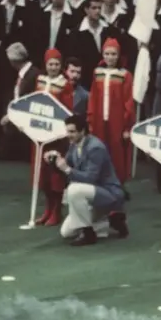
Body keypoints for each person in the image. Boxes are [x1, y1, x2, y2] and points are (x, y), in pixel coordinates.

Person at [45, 113, 128, 246]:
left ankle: (88, 233)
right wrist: (55, 159)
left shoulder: (96, 147)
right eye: (67, 131)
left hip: (108, 192)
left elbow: (90, 178)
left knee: (74, 190)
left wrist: (67, 169)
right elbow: (66, 165)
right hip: (91, 194)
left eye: (72, 132)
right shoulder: (74, 144)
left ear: (82, 131)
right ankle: (111, 220)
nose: (68, 135)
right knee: (66, 232)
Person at [33, 49, 74, 226]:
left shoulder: (64, 84)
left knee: (55, 174)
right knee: (42, 174)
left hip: (56, 135)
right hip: (40, 133)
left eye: (57, 64)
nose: (53, 67)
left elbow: (67, 109)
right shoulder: (40, 80)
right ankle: (47, 209)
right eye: (51, 64)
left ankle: (56, 211)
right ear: (46, 64)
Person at [87, 38, 134, 186]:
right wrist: (90, 120)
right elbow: (93, 98)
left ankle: (116, 184)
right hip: (99, 120)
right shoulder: (97, 73)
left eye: (113, 54)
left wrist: (127, 126)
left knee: (117, 153)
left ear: (118, 55)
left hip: (117, 121)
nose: (110, 57)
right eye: (107, 54)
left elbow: (128, 101)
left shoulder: (125, 75)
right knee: (98, 150)